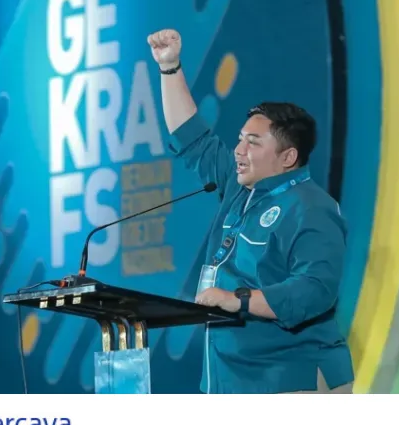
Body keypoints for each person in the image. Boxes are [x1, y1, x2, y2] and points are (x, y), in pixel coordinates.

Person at [147, 29, 355, 394]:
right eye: (240, 139)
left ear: (288, 157)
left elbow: (314, 289)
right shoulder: (238, 187)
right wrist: (170, 67)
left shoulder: (312, 207)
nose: (239, 150)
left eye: (253, 143)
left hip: (291, 382)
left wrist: (238, 300)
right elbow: (192, 138)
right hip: (230, 382)